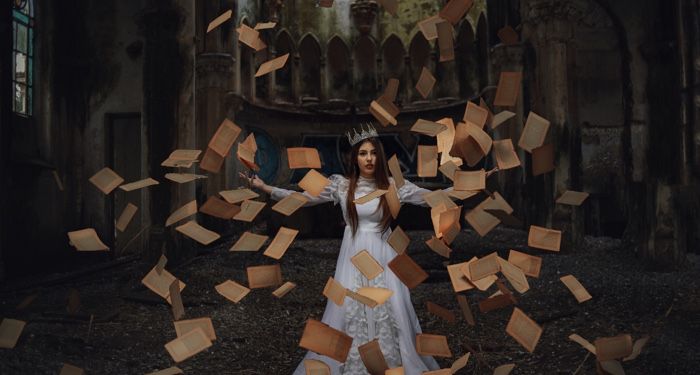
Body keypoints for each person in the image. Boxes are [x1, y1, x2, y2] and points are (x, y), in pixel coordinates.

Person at [241, 124, 452, 374]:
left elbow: (433, 198)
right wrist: (265, 188)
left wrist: (471, 185)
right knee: (350, 309)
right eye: (363, 153)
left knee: (391, 308)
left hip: (384, 254)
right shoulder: (341, 186)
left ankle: (390, 362)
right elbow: (302, 199)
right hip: (353, 254)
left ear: (380, 156)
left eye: (373, 153)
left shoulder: (394, 186)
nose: (369, 158)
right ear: (355, 158)